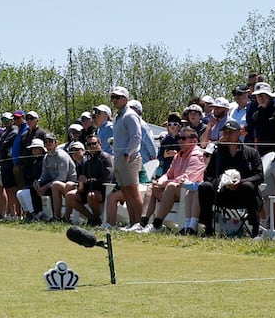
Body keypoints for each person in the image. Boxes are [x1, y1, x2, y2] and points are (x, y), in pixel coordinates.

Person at [129, 126, 206, 233]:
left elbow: (187, 178)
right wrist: (160, 181)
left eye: (183, 138)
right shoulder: (178, 155)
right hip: (175, 189)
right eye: (179, 137)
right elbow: (169, 174)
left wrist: (164, 183)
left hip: (189, 191)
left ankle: (157, 225)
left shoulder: (197, 155)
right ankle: (142, 223)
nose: (179, 140)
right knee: (152, 187)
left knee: (170, 186)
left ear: (194, 140)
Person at [197, 119, 263, 237]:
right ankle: (208, 229)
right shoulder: (218, 153)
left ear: (239, 133)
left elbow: (259, 176)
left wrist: (241, 182)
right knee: (204, 187)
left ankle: (255, 230)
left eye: (230, 132)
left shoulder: (251, 153)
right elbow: (208, 176)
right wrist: (222, 182)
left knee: (249, 186)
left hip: (243, 194)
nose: (226, 135)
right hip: (222, 194)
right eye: (225, 132)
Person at [250, 82, 275, 230]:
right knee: (267, 195)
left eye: (262, 95)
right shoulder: (256, 115)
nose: (260, 98)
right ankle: (271, 227)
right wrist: (257, 160)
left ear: (269, 95)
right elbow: (256, 140)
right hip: (264, 161)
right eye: (257, 96)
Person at [110, 86, 143, 229]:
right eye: (113, 97)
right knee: (126, 192)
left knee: (133, 192)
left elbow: (136, 136)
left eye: (118, 97)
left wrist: (127, 154)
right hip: (118, 157)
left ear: (125, 99)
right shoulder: (118, 116)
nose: (114, 100)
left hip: (129, 158)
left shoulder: (130, 115)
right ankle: (132, 222)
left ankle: (140, 223)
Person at [66, 135, 113, 226]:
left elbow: (107, 178)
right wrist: (81, 184)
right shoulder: (87, 161)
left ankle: (97, 219)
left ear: (100, 144)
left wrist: (87, 181)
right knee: (69, 196)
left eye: (94, 143)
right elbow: (82, 179)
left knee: (91, 196)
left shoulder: (105, 158)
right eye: (89, 144)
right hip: (88, 189)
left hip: (102, 190)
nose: (92, 146)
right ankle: (91, 218)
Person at [33, 133, 77, 221]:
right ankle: (37, 214)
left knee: (55, 185)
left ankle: (57, 216)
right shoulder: (46, 157)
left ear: (55, 143)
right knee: (34, 186)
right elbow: (44, 175)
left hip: (69, 183)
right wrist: (39, 182)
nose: (48, 144)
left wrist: (45, 187)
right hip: (53, 182)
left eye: (51, 141)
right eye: (46, 142)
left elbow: (62, 178)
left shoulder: (61, 156)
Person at [16, 138, 47, 220]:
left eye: (36, 148)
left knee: (26, 192)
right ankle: (29, 213)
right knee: (19, 193)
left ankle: (36, 213)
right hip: (34, 184)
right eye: (33, 148)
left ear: (41, 149)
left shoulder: (44, 160)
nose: (34, 150)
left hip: (43, 184)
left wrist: (38, 182)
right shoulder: (34, 161)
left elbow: (44, 175)